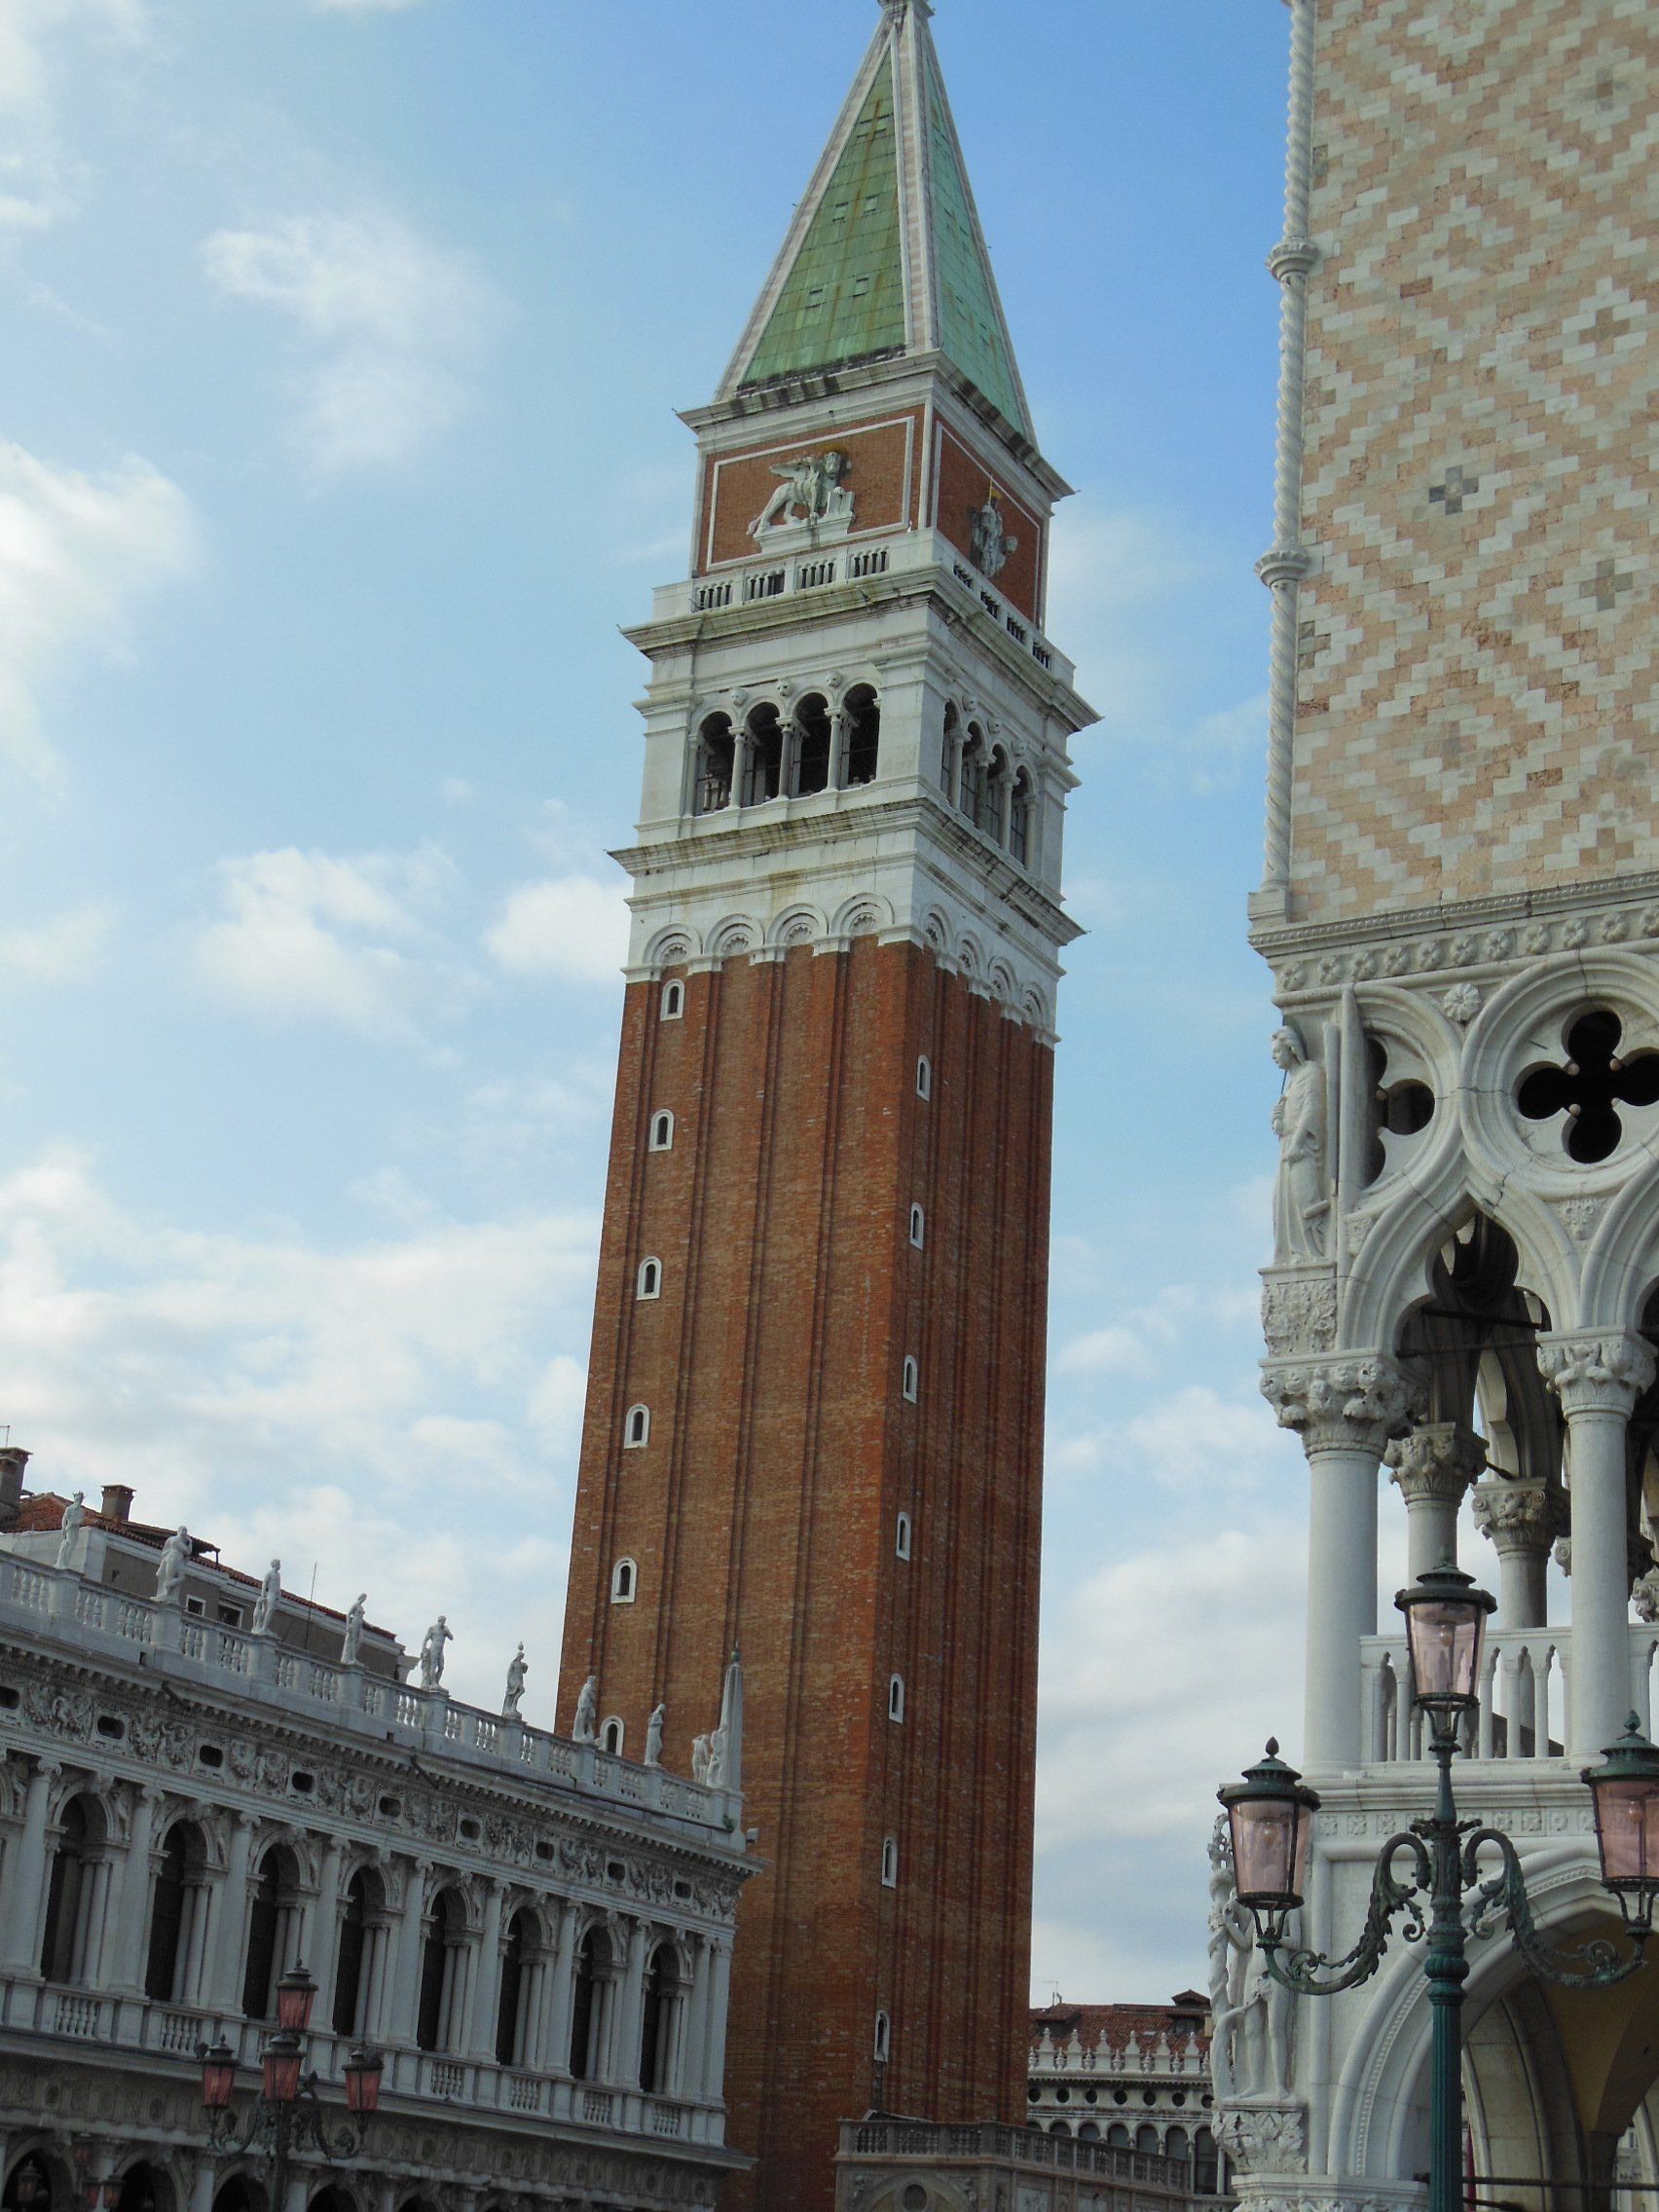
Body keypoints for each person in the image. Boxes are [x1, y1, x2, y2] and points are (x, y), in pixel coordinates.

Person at [1271, 1025, 1330, 1260]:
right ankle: (1295, 1251)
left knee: (1304, 1201)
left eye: (1277, 1052)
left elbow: (1312, 1109)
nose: (1274, 1058)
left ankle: (1313, 1252)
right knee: (1281, 1204)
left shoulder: (1310, 1072)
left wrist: (1296, 1141)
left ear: (1291, 1049)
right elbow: (1291, 1120)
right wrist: (1279, 1123)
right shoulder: (1291, 1084)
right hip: (1289, 1148)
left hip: (1303, 1149)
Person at [54, 1493, 85, 1571]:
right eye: (77, 1499)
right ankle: (62, 1562)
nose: (78, 1501)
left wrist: (74, 1523)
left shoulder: (81, 1510)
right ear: (75, 1499)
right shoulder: (69, 1509)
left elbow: (81, 1520)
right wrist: (63, 1528)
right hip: (69, 1529)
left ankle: (66, 1563)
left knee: (72, 1547)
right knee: (68, 1544)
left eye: (80, 1500)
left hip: (75, 1529)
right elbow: (64, 1518)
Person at [420, 1614, 453, 1689]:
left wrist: (447, 1631)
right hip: (434, 1648)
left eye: (444, 1621)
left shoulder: (445, 1629)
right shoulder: (432, 1628)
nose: (443, 1623)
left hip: (441, 1649)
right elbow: (425, 1639)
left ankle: (436, 1682)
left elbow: (451, 1638)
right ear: (439, 1621)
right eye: (442, 1621)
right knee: (433, 1665)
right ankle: (433, 1683)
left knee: (441, 1667)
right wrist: (424, 1649)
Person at [503, 1642, 529, 1718]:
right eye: (521, 1656)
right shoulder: (513, 1663)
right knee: (513, 1694)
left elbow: (524, 1671)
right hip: (514, 1681)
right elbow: (509, 1673)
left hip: (519, 1680)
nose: (521, 1658)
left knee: (522, 1690)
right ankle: (512, 1706)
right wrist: (509, 1681)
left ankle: (514, 1704)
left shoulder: (521, 1664)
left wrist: (526, 1667)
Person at [342, 1593, 367, 1666]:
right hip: (354, 1622)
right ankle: (351, 1658)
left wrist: (369, 1625)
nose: (364, 1599)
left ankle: (353, 1657)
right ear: (361, 1597)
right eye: (364, 1597)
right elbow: (348, 1614)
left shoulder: (361, 1607)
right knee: (353, 1639)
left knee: (359, 1640)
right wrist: (347, 1625)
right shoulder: (355, 1605)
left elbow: (362, 1618)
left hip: (360, 1624)